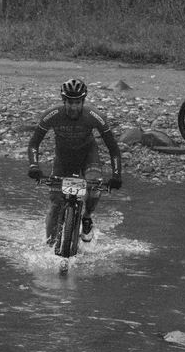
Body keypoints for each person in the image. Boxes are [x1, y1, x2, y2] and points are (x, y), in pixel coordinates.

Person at [27, 78, 122, 244]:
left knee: (94, 187)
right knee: (56, 205)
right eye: (69, 102)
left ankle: (86, 217)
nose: (73, 107)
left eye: (77, 102)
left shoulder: (94, 116)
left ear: (83, 101)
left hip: (88, 155)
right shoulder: (52, 115)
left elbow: (113, 149)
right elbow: (34, 143)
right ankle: (50, 246)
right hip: (63, 159)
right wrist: (34, 166)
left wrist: (116, 175)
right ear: (64, 101)